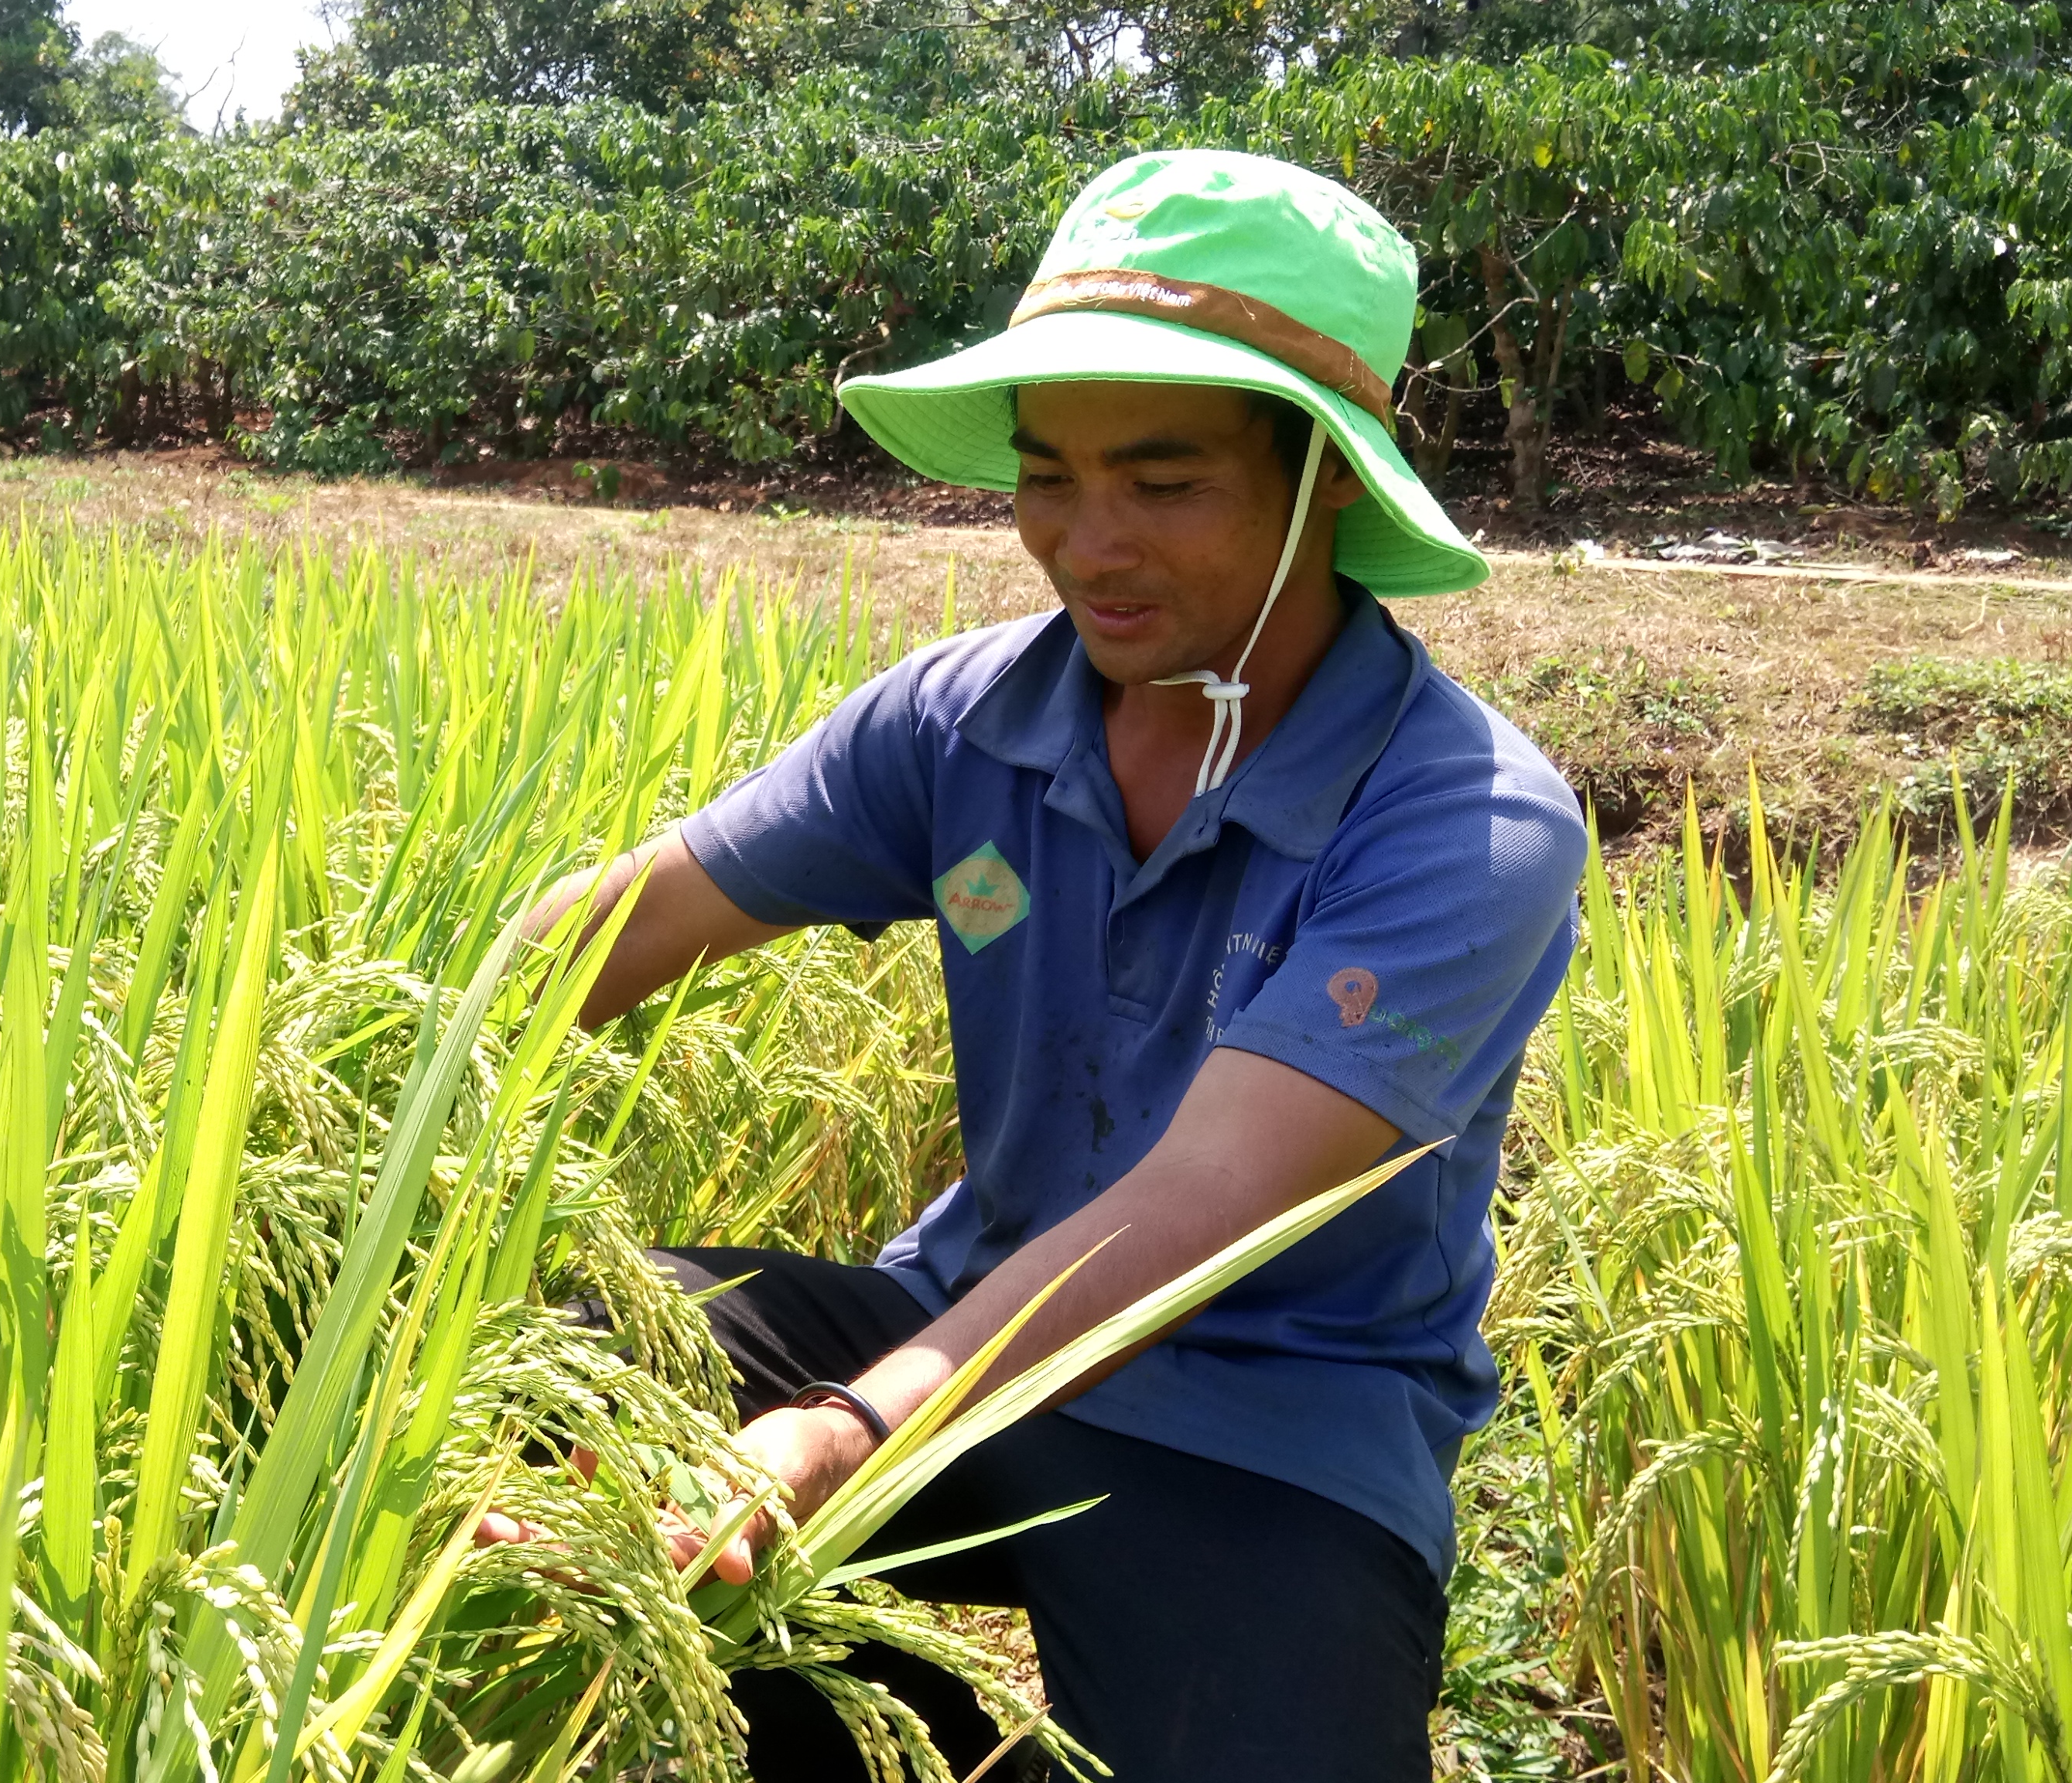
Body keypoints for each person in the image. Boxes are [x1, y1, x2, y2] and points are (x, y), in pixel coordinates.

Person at [498, 149, 1588, 1779]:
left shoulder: (1463, 821)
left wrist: (838, 1432)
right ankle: (901, 1736)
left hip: (1270, 1417)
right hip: (952, 1309)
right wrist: (345, 1094)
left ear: (1329, 485)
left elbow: (1195, 1216)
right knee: (544, 1357)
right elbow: (615, 929)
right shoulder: (964, 721)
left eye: (1162, 485)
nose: (1086, 546)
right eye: (1046, 477)